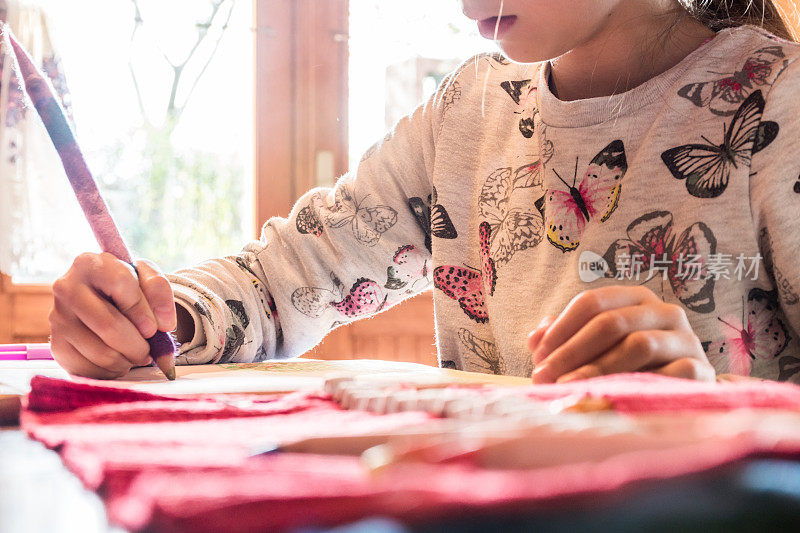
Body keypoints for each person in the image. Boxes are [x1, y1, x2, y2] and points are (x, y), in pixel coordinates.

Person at [48, 0, 800, 384]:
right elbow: (281, 284)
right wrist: (151, 315)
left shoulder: (776, 104)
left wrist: (709, 407)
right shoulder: (469, 114)